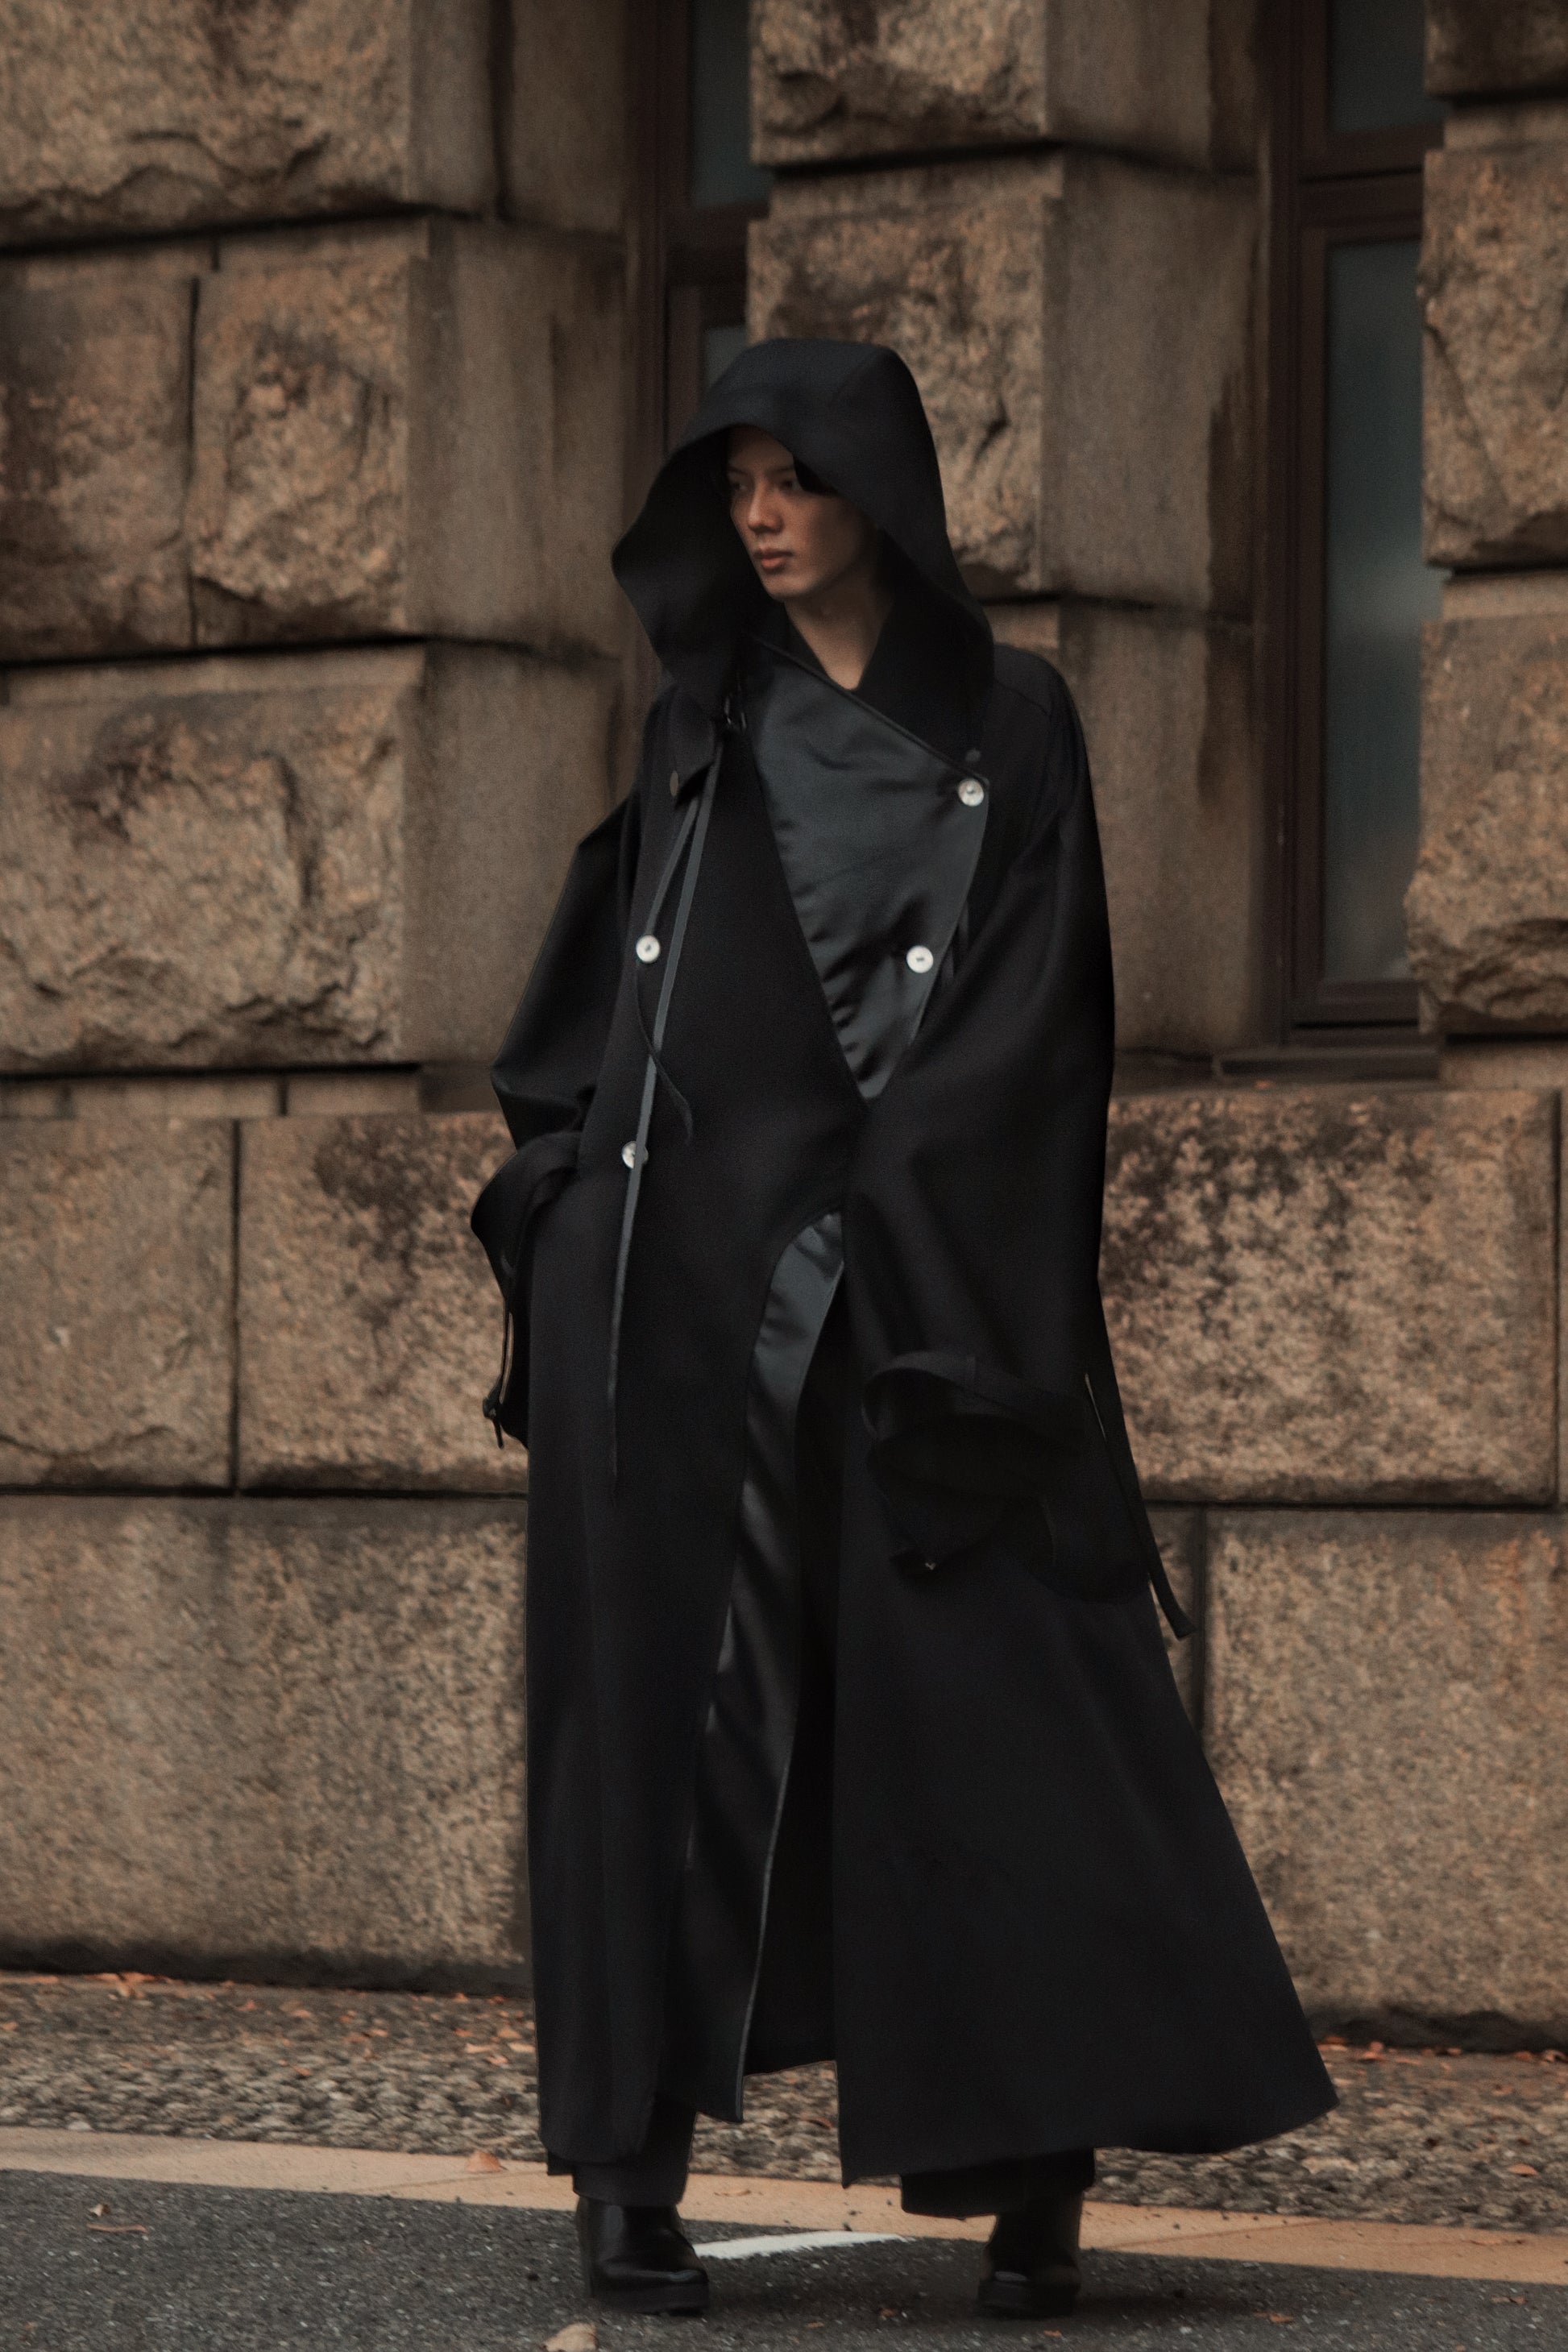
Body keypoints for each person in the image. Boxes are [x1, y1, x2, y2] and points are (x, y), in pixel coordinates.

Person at [471, 339, 1334, 2321]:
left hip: (930, 1281)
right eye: (737, 483)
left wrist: (918, 1221)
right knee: (658, 1718)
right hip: (686, 1302)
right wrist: (566, 1196)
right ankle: (627, 2175)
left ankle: (1039, 2174)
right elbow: (614, 977)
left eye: (797, 477)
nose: (763, 515)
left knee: (1006, 1704)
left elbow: (1046, 1005)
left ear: (884, 487)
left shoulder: (1014, 718)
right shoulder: (702, 713)